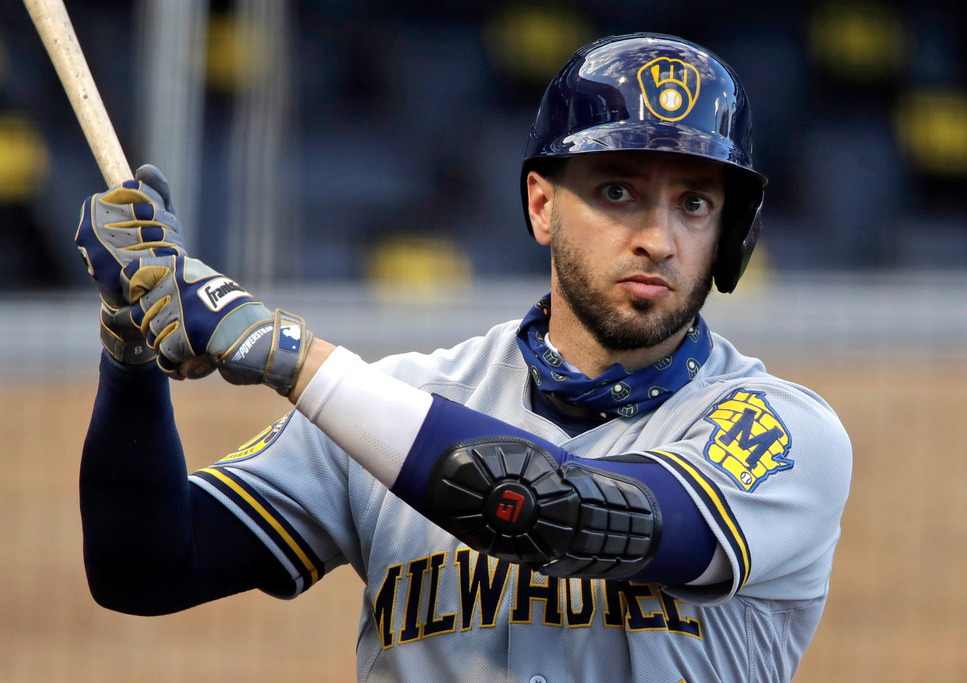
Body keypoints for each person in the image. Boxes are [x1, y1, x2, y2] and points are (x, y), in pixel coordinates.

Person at [75, 33, 852, 681]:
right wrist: (129, 356)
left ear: (729, 234)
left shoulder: (781, 435)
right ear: (542, 205)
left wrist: (285, 355)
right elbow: (143, 566)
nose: (659, 236)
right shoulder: (402, 399)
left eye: (694, 202)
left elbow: (560, 512)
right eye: (618, 191)